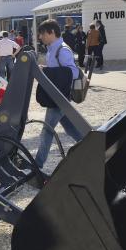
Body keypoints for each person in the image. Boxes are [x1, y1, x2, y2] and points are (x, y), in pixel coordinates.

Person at [35, 19, 83, 169]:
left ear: (51, 33)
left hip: (59, 98)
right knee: (71, 129)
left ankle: (37, 164)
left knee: (47, 131)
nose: (40, 37)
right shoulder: (53, 49)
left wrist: (47, 71)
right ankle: (93, 147)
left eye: (42, 34)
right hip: (57, 97)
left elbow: (74, 72)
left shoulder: (62, 50)